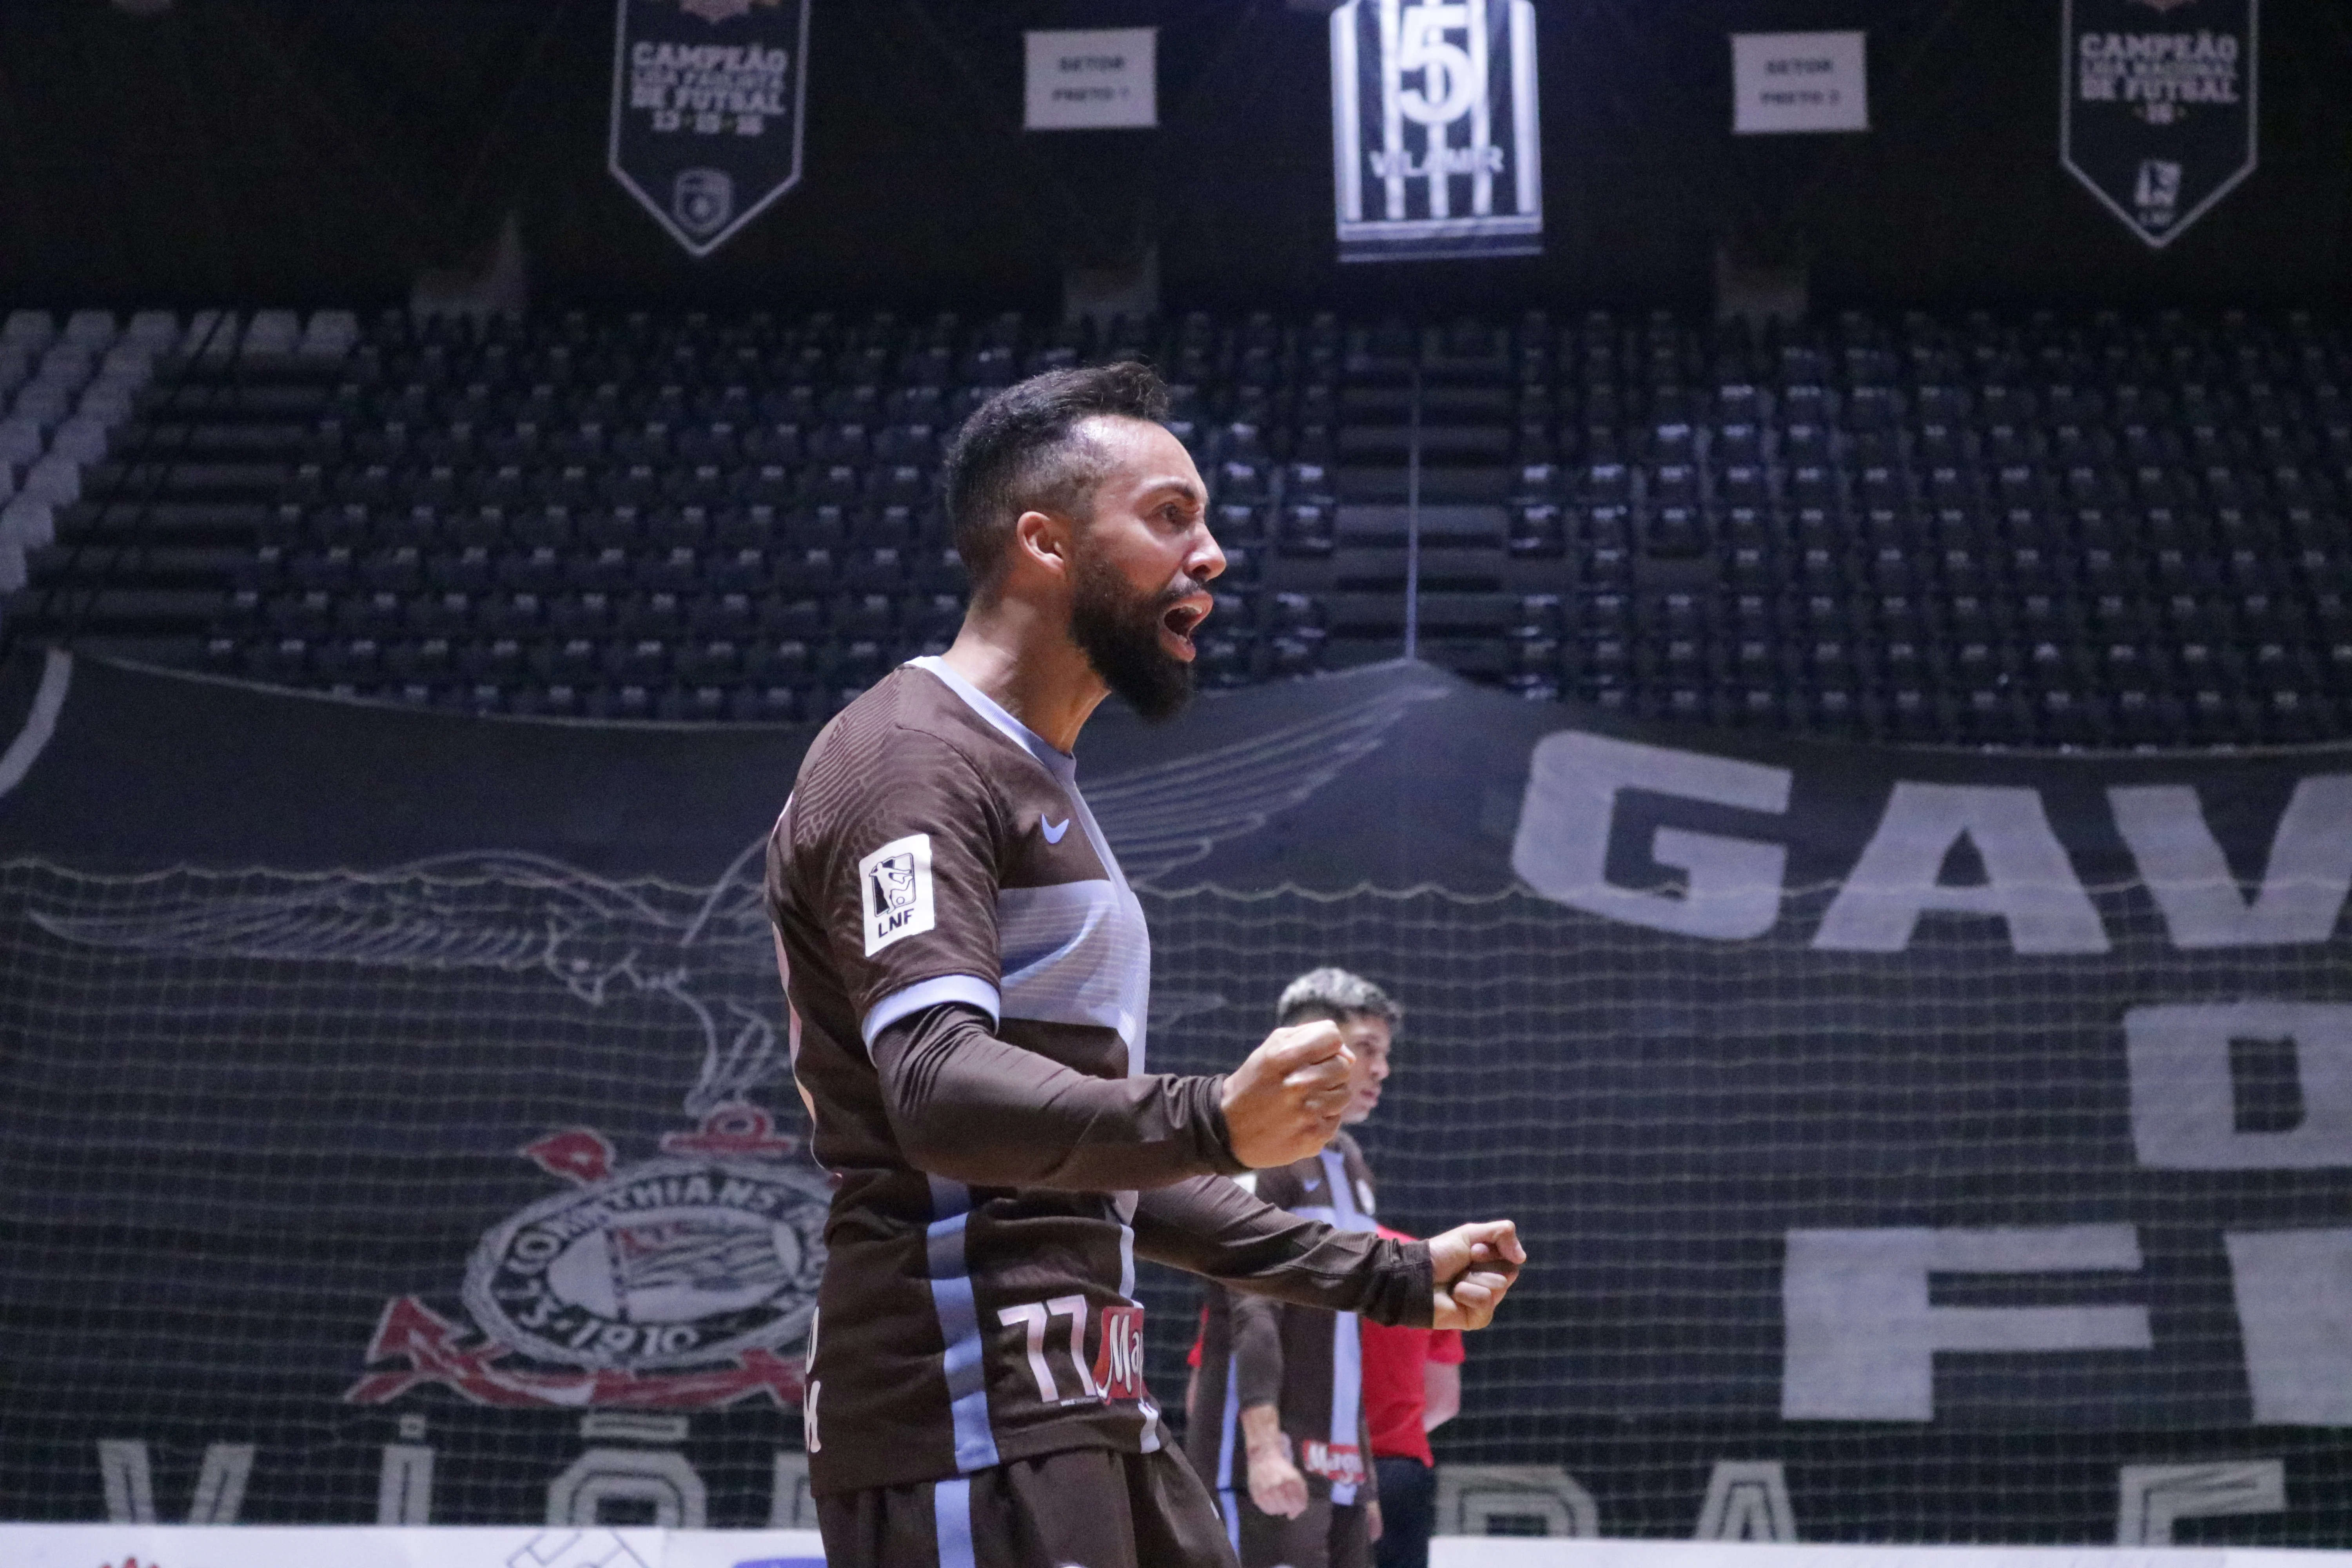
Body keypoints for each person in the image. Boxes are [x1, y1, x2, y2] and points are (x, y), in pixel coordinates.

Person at [764, 362, 1526, 1568]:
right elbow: (936, 1087)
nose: (1213, 554)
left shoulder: (1037, 778)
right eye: (1170, 515)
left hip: (1082, 1402)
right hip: (965, 1405)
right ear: (1044, 542)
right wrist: (1213, 1117)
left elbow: (1101, 1169)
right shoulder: (911, 760)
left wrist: (1380, 1278)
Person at [1186, 967, 1402, 1568]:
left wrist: (1364, 1476)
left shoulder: (1352, 1163)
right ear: (1315, 1046)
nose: (1382, 1069)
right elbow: (1250, 1304)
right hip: (1269, 1457)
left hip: (1340, 1464)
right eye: (1367, 1049)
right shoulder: (1260, 1144)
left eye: (1385, 1053)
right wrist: (1262, 1449)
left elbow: (1347, 1332)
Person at [1361, 1222, 1465, 1568]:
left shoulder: (1275, 1269)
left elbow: (1204, 1399)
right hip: (1396, 1472)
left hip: (1304, 1468)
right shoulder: (1419, 1264)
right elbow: (1444, 1401)